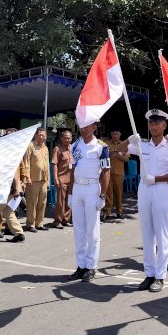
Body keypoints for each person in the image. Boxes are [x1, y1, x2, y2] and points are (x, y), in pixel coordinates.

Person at [121, 109, 168, 293]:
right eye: (151, 123)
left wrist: (157, 179)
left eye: (158, 123)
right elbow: (119, 149)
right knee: (147, 233)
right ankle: (149, 273)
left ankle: (160, 276)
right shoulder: (144, 146)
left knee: (161, 234)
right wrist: (130, 140)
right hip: (144, 190)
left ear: (164, 125)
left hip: (160, 190)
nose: (154, 126)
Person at [66, 121, 110, 282]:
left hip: (92, 188)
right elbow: (72, 170)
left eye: (87, 126)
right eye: (81, 126)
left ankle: (91, 266)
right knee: (79, 229)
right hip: (78, 188)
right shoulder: (75, 145)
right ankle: (81, 265)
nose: (83, 129)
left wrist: (103, 195)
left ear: (94, 128)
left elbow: (106, 172)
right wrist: (70, 193)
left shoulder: (101, 146)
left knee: (92, 230)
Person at [22, 128, 50, 231]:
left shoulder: (45, 148)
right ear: (36, 135)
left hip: (43, 179)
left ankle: (39, 223)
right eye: (40, 135)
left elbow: (47, 164)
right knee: (31, 203)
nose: (41, 137)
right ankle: (31, 224)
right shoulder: (31, 146)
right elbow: (26, 162)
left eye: (43, 135)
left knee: (42, 202)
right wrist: (27, 177)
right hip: (33, 179)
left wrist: (48, 180)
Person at [103, 127, 129, 220]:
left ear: (120, 135)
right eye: (114, 134)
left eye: (117, 134)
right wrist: (109, 154)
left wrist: (118, 155)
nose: (115, 136)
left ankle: (119, 211)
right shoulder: (106, 144)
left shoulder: (124, 145)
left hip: (119, 172)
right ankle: (107, 211)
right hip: (107, 172)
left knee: (118, 193)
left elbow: (127, 159)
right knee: (108, 192)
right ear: (111, 134)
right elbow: (102, 156)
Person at [51, 130, 73, 228]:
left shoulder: (73, 148)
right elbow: (54, 164)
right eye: (65, 138)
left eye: (69, 138)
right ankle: (57, 220)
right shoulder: (58, 149)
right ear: (61, 138)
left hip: (72, 179)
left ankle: (66, 219)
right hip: (62, 178)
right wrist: (55, 178)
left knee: (70, 200)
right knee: (60, 201)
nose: (67, 139)